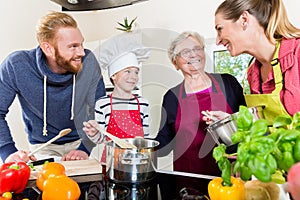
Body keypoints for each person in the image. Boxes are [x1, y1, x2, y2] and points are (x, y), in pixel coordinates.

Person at [0, 11, 106, 163]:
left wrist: (85, 148)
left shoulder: (88, 62)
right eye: (73, 46)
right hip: (42, 146)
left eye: (81, 44)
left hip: (84, 142)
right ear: (48, 48)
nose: (82, 52)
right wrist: (8, 151)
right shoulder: (16, 65)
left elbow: (100, 110)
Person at [154, 31, 246, 176]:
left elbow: (248, 125)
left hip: (229, 177)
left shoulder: (228, 83)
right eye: (185, 52)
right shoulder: (171, 97)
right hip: (188, 180)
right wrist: (141, 147)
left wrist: (228, 123)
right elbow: (164, 143)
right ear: (175, 62)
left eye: (197, 49)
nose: (193, 55)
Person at [211, 0, 300, 124]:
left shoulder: (297, 53)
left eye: (220, 29)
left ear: (244, 20)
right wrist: (233, 122)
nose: (218, 41)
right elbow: (266, 124)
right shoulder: (253, 73)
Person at [83, 33, 150, 161]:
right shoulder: (103, 104)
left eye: (136, 72)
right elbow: (101, 139)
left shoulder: (143, 103)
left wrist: (141, 144)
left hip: (137, 159)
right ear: (114, 75)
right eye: (127, 71)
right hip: (111, 160)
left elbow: (145, 138)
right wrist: (93, 133)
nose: (133, 76)